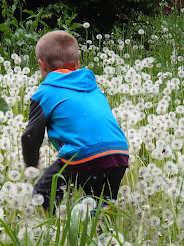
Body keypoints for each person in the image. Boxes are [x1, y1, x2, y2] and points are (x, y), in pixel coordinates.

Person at [21, 30, 129, 211]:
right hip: (119, 153)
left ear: (42, 64)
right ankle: (102, 234)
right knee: (100, 206)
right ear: (77, 64)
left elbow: (31, 136)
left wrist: (31, 162)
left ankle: (56, 230)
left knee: (43, 193)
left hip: (83, 155)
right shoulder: (94, 88)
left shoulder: (45, 94)